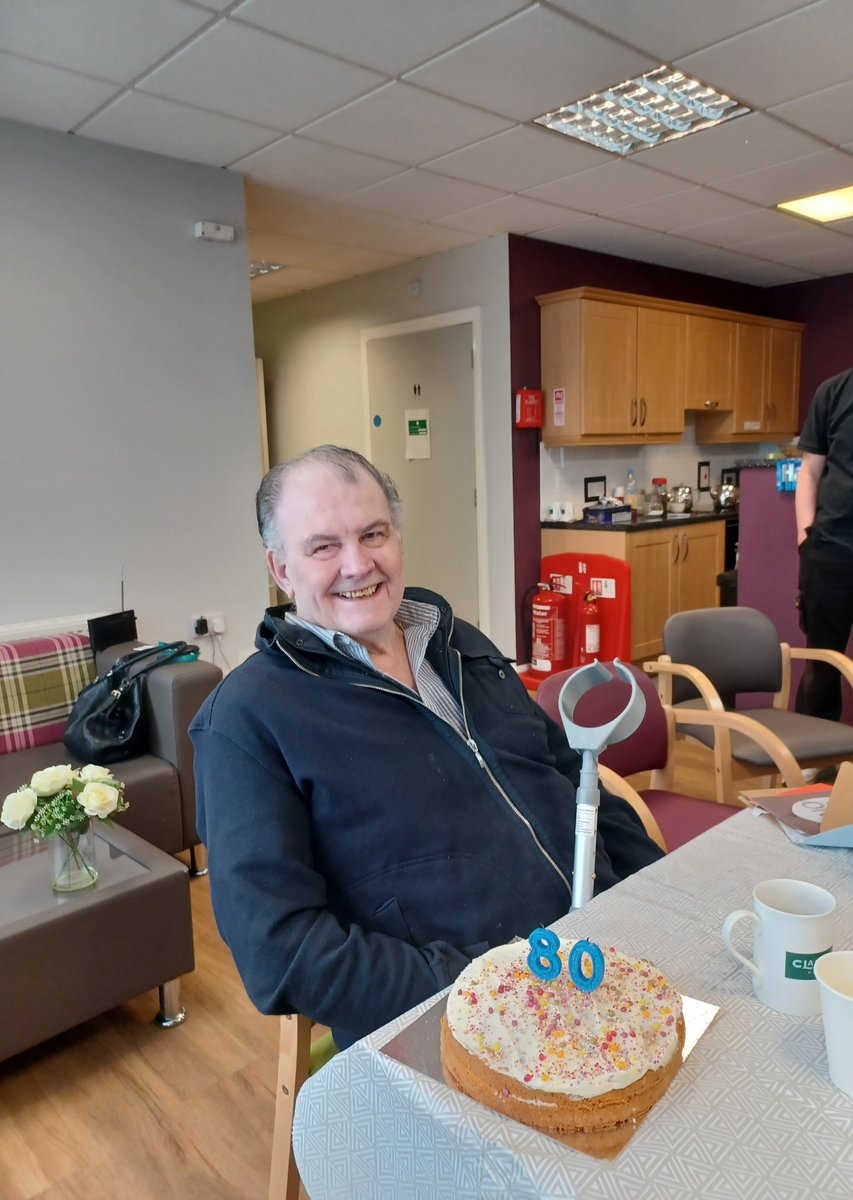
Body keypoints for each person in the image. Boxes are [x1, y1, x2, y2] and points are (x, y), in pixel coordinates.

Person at [190, 445, 663, 1049]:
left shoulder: (460, 642)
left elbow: (574, 776)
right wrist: (492, 984)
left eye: (373, 533)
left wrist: (655, 892)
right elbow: (282, 952)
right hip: (461, 1018)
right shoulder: (247, 718)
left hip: (604, 955)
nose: (358, 564)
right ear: (281, 569)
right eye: (323, 546)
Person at [795, 368, 853, 721]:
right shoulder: (833, 391)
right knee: (822, 663)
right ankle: (813, 764)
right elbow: (810, 471)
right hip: (830, 550)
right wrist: (806, 537)